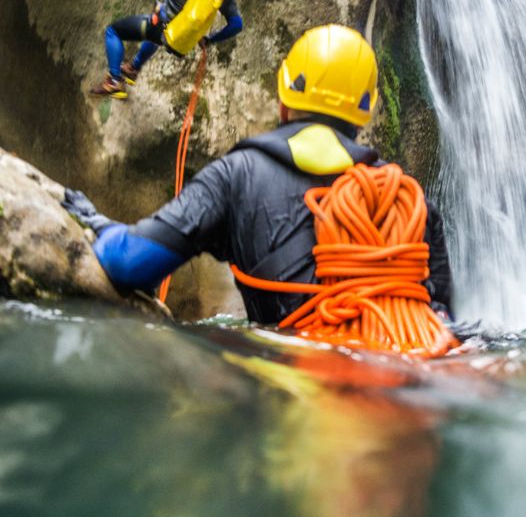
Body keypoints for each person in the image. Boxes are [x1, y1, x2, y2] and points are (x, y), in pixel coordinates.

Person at [66, 24, 453, 326]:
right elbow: (443, 319)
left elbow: (130, 263)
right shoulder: (410, 200)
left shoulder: (237, 176)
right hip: (405, 386)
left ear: (284, 98)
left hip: (291, 387)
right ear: (364, 112)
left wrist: (99, 224)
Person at [90, 0, 243, 99]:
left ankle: (114, 81)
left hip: (159, 26)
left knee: (113, 31)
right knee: (156, 37)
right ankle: (133, 68)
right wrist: (209, 40)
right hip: (175, 37)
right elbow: (237, 25)